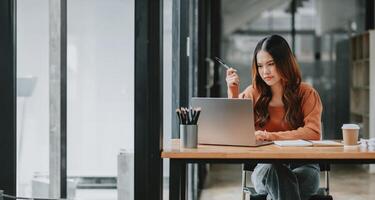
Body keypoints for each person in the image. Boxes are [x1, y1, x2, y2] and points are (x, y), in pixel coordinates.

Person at [226, 35, 322, 200]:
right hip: (265, 166)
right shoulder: (252, 93)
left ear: (285, 62)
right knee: (275, 173)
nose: (265, 71)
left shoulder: (307, 93)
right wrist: (233, 92)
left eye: (271, 64)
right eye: (260, 66)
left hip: (304, 167)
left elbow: (313, 133)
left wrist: (269, 136)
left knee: (277, 188)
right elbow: (235, 131)